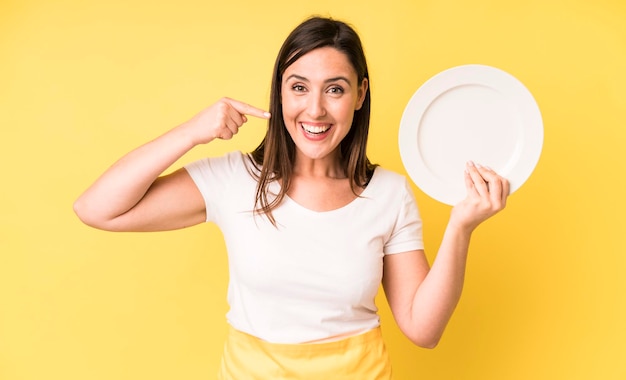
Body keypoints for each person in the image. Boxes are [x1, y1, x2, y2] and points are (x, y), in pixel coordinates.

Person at [74, 16, 509, 379]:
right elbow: (95, 209)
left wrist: (461, 226)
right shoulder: (235, 179)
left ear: (360, 93)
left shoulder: (389, 194)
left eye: (335, 89)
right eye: (299, 87)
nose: (315, 110)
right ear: (279, 92)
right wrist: (192, 132)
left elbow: (423, 329)